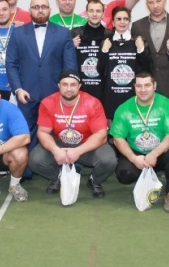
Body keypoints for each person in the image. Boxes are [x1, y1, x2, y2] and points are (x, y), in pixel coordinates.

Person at [29, 70, 117, 198]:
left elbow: (101, 135)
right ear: (59, 86)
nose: (69, 89)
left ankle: (95, 180)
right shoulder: (48, 102)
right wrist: (55, 150)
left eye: (73, 84)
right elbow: (43, 132)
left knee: (109, 160)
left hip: (86, 144)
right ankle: (57, 177)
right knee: (35, 160)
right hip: (59, 143)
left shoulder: (93, 103)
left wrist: (78, 151)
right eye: (65, 84)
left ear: (79, 86)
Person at [6, 0, 77, 150]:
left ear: (50, 10)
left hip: (54, 94)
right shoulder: (17, 33)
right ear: (29, 10)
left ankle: (56, 162)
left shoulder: (63, 33)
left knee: (56, 134)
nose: (40, 10)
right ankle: (28, 165)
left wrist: (65, 90)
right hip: (26, 94)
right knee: (26, 135)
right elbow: (11, 64)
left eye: (44, 7)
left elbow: (70, 66)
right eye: (36, 7)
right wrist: (17, 89)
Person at [110, 72, 169, 212]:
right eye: (139, 86)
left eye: (147, 85)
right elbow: (117, 138)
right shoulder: (124, 108)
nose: (143, 90)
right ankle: (148, 177)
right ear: (134, 87)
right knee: (124, 175)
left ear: (154, 86)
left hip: (161, 151)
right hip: (137, 153)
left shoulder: (167, 105)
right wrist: (133, 158)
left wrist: (154, 154)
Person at [98, 6, 151, 120]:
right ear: (113, 22)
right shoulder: (106, 42)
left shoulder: (138, 41)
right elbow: (100, 70)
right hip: (111, 96)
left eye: (125, 19)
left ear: (129, 21)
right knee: (113, 129)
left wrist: (141, 50)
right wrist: (104, 51)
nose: (122, 22)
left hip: (132, 95)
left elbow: (147, 69)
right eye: (118, 19)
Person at [131, 0, 169, 99]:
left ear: (165, 2)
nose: (155, 6)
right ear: (146, 5)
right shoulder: (137, 25)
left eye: (158, 1)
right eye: (151, 2)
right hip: (146, 85)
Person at [70, 0, 113, 101]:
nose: (94, 14)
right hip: (80, 89)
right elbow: (63, 58)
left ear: (103, 14)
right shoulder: (74, 33)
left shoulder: (110, 35)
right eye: (91, 11)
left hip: (103, 90)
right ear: (86, 13)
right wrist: (70, 47)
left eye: (98, 11)